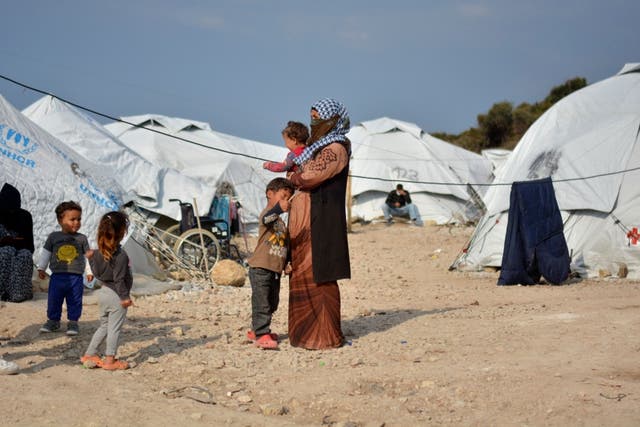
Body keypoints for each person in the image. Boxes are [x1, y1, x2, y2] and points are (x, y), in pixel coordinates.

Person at [286, 98, 351, 350]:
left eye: (318, 118)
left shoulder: (335, 149)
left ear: (332, 120)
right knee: (302, 274)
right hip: (305, 223)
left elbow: (311, 176)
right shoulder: (315, 148)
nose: (313, 122)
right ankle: (303, 333)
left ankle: (324, 336)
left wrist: (293, 176)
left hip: (321, 223)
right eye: (311, 117)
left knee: (320, 276)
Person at [246, 177, 295, 349]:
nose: (286, 201)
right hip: (260, 267)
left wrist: (287, 262)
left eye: (289, 198)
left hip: (274, 270)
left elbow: (285, 243)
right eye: (283, 196)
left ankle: (256, 330)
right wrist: (279, 209)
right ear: (270, 194)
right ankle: (261, 334)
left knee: (272, 302)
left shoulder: (281, 222)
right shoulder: (267, 215)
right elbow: (268, 218)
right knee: (262, 303)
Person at [81, 211, 133, 370]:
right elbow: (119, 280)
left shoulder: (96, 254)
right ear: (122, 232)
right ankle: (110, 360)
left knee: (103, 326)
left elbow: (96, 274)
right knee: (114, 329)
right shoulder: (121, 256)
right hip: (116, 296)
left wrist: (90, 258)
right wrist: (125, 297)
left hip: (102, 293)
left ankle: (90, 354)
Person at [37, 201, 93, 335]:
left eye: (79, 219)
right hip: (57, 276)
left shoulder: (82, 238)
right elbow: (46, 253)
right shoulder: (54, 237)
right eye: (72, 219)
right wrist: (41, 268)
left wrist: (90, 272)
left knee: (75, 299)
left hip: (76, 277)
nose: (76, 222)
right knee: (54, 299)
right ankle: (53, 321)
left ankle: (73, 323)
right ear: (60, 220)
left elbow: (87, 256)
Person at [0, 183, 35, 303]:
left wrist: (16, 242)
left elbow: (30, 246)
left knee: (25, 255)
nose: (11, 212)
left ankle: (18, 294)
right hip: (2, 251)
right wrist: (3, 242)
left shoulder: (25, 216)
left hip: (20, 249)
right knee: (6, 252)